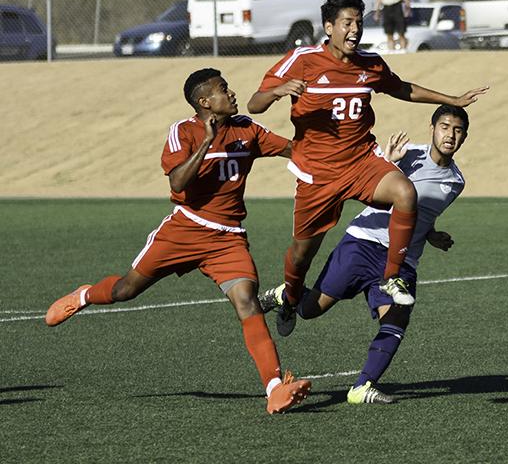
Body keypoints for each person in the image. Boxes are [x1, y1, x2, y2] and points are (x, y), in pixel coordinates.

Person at [45, 68, 311, 415]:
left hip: (227, 239)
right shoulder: (183, 131)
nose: (231, 94)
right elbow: (178, 183)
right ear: (204, 102)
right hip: (185, 230)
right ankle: (84, 295)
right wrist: (205, 143)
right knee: (126, 289)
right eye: (222, 90)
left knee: (247, 301)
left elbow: (295, 150)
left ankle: (275, 388)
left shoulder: (247, 128)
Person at [247, 0, 488, 337]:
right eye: (347, 22)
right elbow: (255, 105)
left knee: (405, 193)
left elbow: (402, 88)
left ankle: (391, 279)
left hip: (361, 160)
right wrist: (279, 90)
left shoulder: (369, 64)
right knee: (301, 255)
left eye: (359, 22)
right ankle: (288, 296)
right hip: (317, 174)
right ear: (329, 27)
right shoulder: (302, 59)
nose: (355, 29)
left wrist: (451, 99)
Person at [260, 105, 470, 404]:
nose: (450, 134)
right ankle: (287, 295)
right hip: (363, 243)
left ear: (464, 136)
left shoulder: (455, 182)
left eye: (458, 130)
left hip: (403, 260)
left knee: (397, 319)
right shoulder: (408, 154)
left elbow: (421, 214)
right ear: (432, 127)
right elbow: (371, 181)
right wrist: (389, 162)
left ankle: (362, 387)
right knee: (309, 310)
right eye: (445, 126)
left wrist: (433, 234)